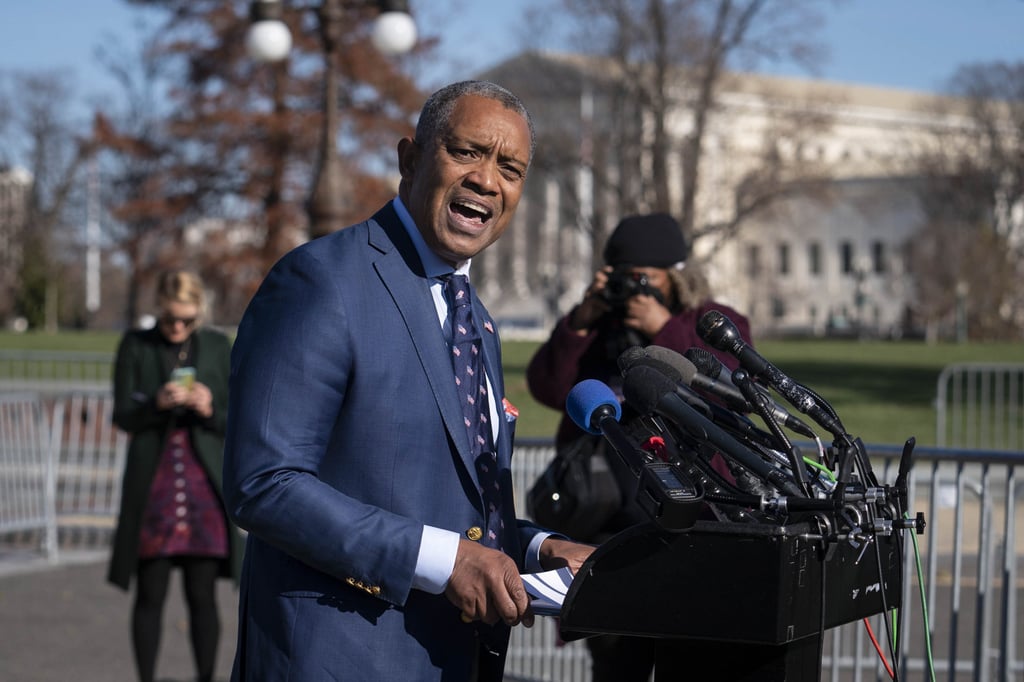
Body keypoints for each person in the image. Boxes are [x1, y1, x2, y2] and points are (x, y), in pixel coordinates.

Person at [222, 80, 594, 682]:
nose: (487, 180)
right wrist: (447, 563)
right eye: (468, 152)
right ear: (410, 159)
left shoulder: (479, 320)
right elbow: (264, 483)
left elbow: (451, 511)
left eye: (511, 168)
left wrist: (536, 549)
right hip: (337, 661)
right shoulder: (321, 282)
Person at [526, 212, 754, 682]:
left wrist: (662, 327)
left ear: (675, 276)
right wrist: (582, 320)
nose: (632, 293)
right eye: (622, 281)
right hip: (610, 534)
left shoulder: (711, 322)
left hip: (692, 527)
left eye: (643, 280)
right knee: (615, 665)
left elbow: (727, 390)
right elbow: (548, 386)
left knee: (690, 662)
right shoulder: (601, 332)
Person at [108, 269, 244, 682]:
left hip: (204, 486)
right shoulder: (136, 345)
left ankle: (206, 677)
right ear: (159, 311)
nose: (178, 328)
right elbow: (122, 416)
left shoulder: (218, 346)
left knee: (202, 595)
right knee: (150, 592)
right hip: (155, 485)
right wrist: (156, 403)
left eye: (187, 320)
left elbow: (237, 419)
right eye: (170, 319)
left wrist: (208, 408)